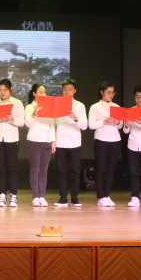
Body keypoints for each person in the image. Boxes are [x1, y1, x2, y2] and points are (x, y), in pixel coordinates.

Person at [0, 79, 24, 207]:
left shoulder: (17, 103)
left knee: (12, 169)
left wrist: (12, 118)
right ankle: (2, 196)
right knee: (1, 169)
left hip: (12, 138)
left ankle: (13, 196)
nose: (2, 92)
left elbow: (22, 122)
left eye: (5, 90)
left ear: (10, 90)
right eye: (0, 90)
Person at [53, 79, 87, 207]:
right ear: (62, 90)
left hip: (75, 143)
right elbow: (53, 124)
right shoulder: (57, 104)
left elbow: (84, 126)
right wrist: (53, 140)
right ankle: (63, 198)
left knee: (75, 172)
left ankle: (75, 198)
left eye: (70, 89)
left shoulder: (80, 106)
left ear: (75, 91)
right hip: (60, 142)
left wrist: (75, 118)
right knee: (61, 172)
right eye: (65, 89)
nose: (67, 92)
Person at [88, 82, 123, 206]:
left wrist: (118, 122)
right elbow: (91, 125)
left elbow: (121, 125)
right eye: (108, 92)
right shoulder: (95, 107)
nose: (111, 95)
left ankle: (107, 195)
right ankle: (101, 196)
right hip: (101, 140)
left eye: (113, 92)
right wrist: (104, 121)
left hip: (115, 140)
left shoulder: (117, 106)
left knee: (111, 169)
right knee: (101, 168)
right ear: (102, 92)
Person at [25, 83, 56, 207]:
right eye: (40, 92)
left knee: (44, 170)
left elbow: (51, 125)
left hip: (46, 141)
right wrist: (35, 112)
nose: (43, 94)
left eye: (44, 92)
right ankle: (35, 197)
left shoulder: (49, 107)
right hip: (33, 141)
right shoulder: (29, 107)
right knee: (35, 170)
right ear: (34, 93)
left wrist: (53, 141)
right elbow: (28, 123)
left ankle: (42, 196)